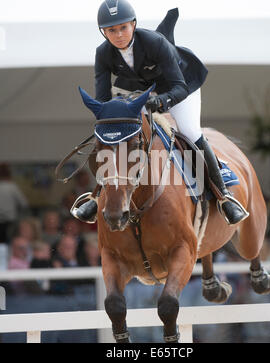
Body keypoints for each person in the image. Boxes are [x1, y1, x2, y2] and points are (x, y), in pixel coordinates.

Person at [72, 0, 248, 225]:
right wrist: (111, 123)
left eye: (123, 28)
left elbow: (180, 86)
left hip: (180, 88)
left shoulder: (155, 43)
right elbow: (104, 98)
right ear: (103, 32)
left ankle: (224, 196)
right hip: (141, 93)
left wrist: (162, 101)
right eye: (111, 30)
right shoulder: (103, 53)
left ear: (133, 25)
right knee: (113, 140)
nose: (118, 35)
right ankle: (96, 197)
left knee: (190, 131)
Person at [0, 163, 29, 243]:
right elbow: (24, 204)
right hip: (10, 221)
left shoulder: (11, 187)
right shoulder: (12, 187)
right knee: (9, 242)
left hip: (8, 222)